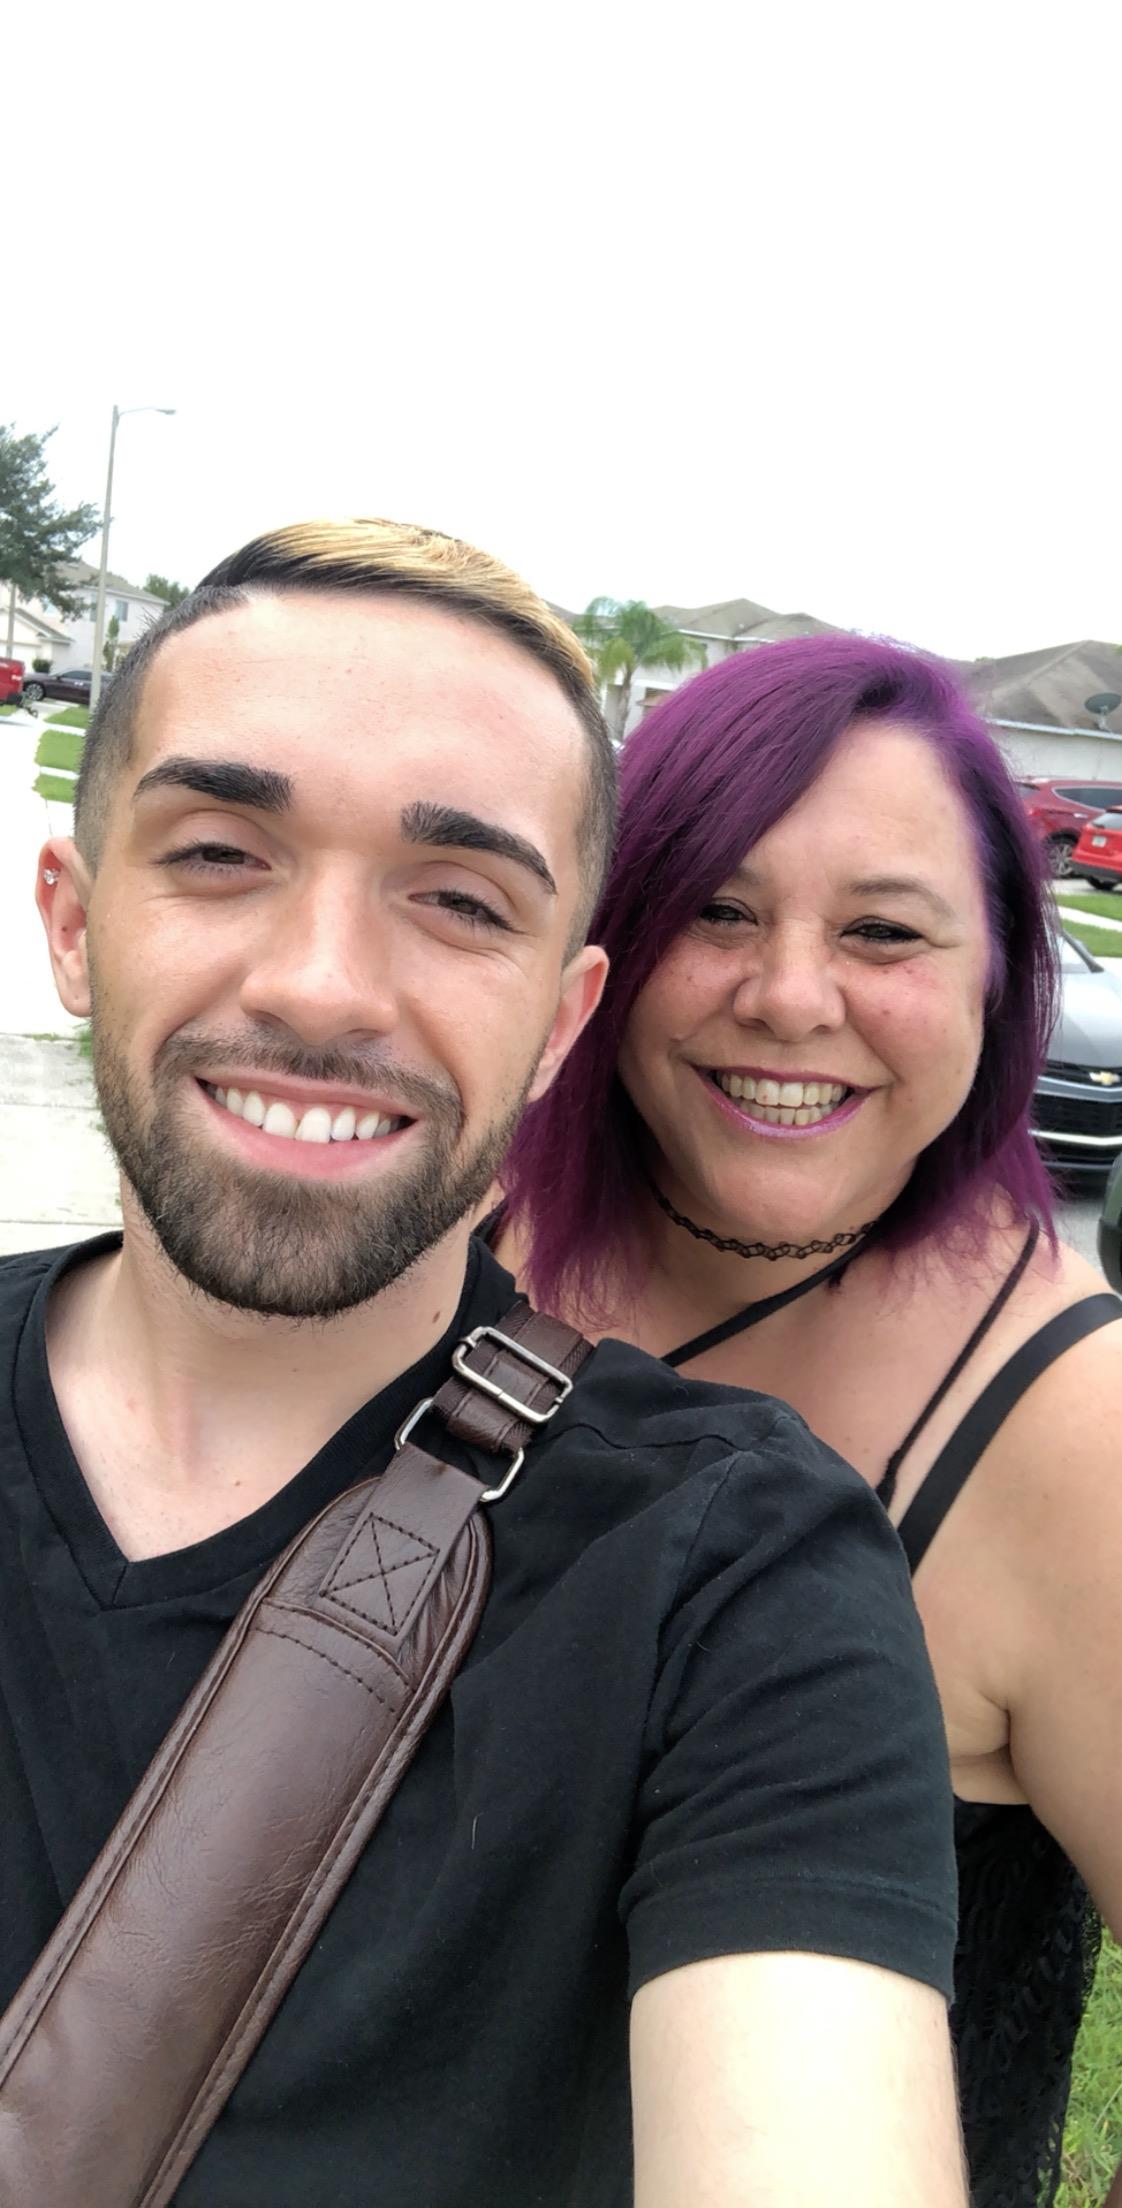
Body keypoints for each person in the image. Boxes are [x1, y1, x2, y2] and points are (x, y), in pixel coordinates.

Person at [0, 524, 965, 2206]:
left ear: (562, 1018)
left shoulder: (731, 1585)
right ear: (74, 924)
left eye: (458, 900)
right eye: (221, 852)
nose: (319, 984)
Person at [498, 631, 1122, 2208]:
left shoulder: (1069, 1428)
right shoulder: (465, 1244)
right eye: (715, 910)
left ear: (998, 975)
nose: (788, 997)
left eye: (883, 933)